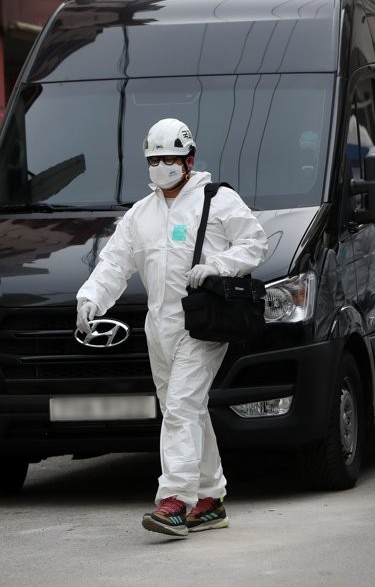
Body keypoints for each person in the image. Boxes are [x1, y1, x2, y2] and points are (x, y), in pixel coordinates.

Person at [76, 118, 268, 537]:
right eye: (155, 159)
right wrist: (90, 298)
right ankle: (211, 498)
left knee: (181, 407)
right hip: (158, 328)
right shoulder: (139, 215)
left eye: (171, 159)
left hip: (201, 325)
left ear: (189, 160)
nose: (163, 165)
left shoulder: (217, 201)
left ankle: (174, 501)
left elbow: (255, 242)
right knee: (186, 411)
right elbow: (114, 264)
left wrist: (218, 266)